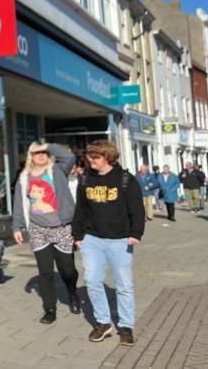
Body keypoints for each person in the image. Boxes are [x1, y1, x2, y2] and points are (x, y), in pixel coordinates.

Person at [73, 139, 144, 347]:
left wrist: (136, 233)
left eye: (95, 157)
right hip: (92, 239)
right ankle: (104, 323)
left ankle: (126, 326)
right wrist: (78, 236)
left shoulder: (125, 179)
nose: (90, 160)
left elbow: (137, 209)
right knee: (92, 281)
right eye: (89, 156)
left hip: (120, 239)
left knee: (124, 285)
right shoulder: (85, 179)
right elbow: (81, 209)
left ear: (108, 158)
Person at [12, 142, 79, 325]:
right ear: (30, 156)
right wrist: (17, 227)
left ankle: (72, 293)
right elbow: (19, 203)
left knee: (67, 269)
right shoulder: (24, 177)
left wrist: (47, 145)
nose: (40, 156)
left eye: (44, 153)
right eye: (36, 153)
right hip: (38, 229)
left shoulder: (57, 170)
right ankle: (50, 309)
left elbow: (70, 157)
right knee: (45, 272)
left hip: (62, 227)